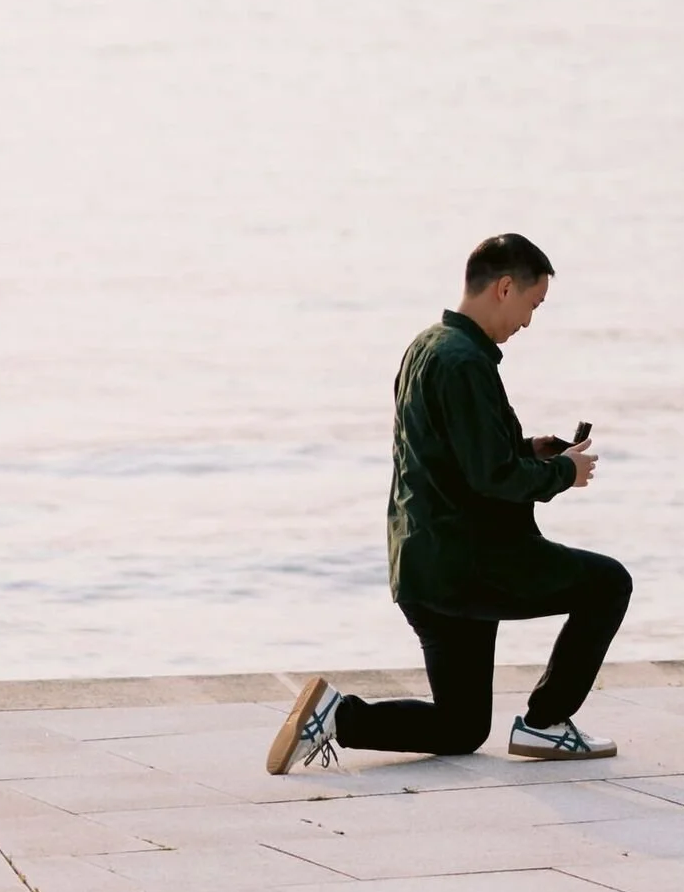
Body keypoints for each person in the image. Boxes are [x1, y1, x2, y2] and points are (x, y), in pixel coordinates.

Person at [267, 233, 631, 774]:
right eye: (533, 305)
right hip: (472, 563)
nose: (528, 322)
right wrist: (563, 473)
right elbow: (492, 476)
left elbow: (452, 454)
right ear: (504, 288)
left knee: (461, 726)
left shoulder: (427, 346)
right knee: (608, 584)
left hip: (425, 567)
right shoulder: (465, 363)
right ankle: (546, 722)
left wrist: (529, 449)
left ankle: (336, 717)